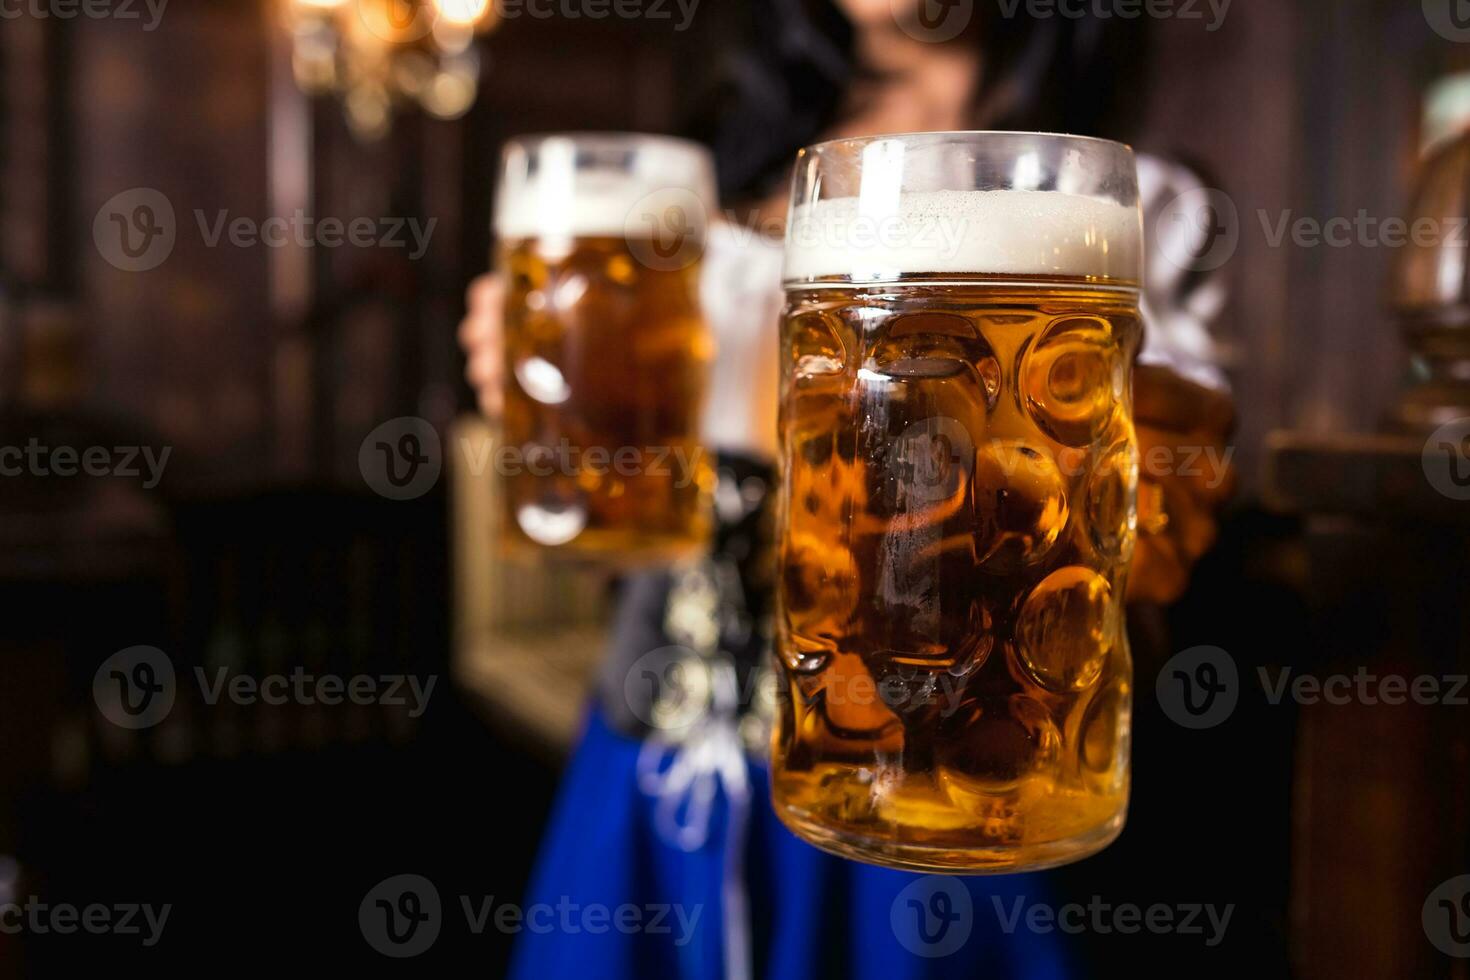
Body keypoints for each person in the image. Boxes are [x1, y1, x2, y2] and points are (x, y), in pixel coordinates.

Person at [459, 3, 1234, 976]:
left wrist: (1155, 501)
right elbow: (637, 531)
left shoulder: (1125, 203)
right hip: (658, 750)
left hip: (957, 780)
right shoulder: (718, 161)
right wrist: (570, 395)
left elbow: (1143, 560)